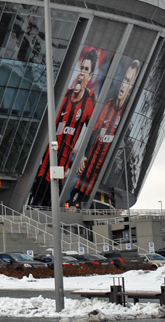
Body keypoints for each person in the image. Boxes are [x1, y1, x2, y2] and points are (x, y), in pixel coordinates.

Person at [29, 47, 100, 206]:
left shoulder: (90, 100)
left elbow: (93, 131)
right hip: (45, 162)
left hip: (61, 167)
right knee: (36, 200)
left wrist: (84, 154)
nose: (82, 73)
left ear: (90, 76)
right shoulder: (65, 96)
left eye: (86, 70)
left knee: (51, 202)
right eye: (81, 68)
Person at [70, 59, 141, 205]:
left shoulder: (128, 116)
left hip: (103, 184)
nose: (123, 85)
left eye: (128, 82)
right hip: (85, 178)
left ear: (132, 87)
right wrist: (82, 155)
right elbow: (89, 131)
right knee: (71, 206)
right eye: (124, 80)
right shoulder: (107, 105)